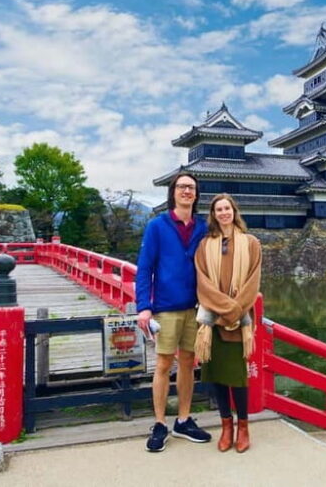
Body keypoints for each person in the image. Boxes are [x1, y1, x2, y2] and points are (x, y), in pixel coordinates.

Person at [135, 172, 212, 452]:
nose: (186, 191)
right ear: (173, 192)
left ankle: (183, 419)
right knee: (164, 363)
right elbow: (145, 267)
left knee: (189, 363)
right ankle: (159, 423)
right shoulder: (157, 226)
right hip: (166, 306)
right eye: (181, 187)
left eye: (191, 187)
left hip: (195, 307)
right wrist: (144, 306)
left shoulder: (202, 227)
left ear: (196, 194)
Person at [194, 193, 262, 453]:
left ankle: (243, 427)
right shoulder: (205, 245)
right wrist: (224, 310)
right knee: (218, 376)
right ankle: (226, 426)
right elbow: (203, 282)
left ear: (234, 211)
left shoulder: (251, 243)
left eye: (227, 208)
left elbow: (252, 282)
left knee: (237, 376)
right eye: (218, 209)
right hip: (212, 320)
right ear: (213, 214)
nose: (223, 213)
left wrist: (233, 311)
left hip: (238, 319)